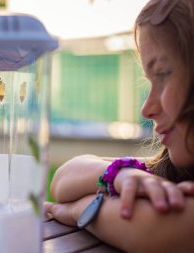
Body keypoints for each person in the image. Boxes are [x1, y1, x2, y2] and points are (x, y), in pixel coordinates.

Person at [44, 0, 194, 252]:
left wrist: (75, 210)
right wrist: (121, 174)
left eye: (163, 74)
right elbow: (63, 179)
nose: (146, 109)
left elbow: (151, 230)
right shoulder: (176, 171)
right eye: (149, 82)